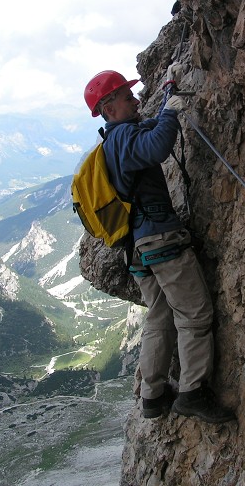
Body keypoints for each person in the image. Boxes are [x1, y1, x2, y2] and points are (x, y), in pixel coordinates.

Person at [84, 70, 235, 424]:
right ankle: (192, 392)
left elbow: (148, 134)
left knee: (160, 315)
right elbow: (156, 147)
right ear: (108, 107)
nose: (134, 100)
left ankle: (152, 394)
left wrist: (168, 94)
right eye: (125, 96)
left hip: (137, 246)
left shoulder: (114, 140)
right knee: (194, 315)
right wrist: (170, 111)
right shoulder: (123, 137)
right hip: (160, 238)